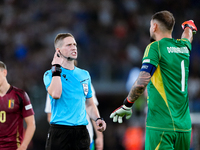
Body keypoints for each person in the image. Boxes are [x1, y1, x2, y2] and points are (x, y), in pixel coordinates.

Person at [110, 10, 197, 150]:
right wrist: (189, 27)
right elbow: (188, 37)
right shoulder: (183, 47)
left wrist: (127, 104)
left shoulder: (155, 47)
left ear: (155, 26)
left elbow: (143, 80)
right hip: (184, 127)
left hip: (161, 126)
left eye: (151, 25)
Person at [43, 33, 106, 150]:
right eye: (68, 45)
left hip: (81, 133)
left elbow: (89, 104)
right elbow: (56, 94)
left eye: (75, 44)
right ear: (58, 51)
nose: (74, 47)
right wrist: (56, 67)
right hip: (60, 131)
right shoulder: (49, 74)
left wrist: (97, 119)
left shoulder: (84, 75)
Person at [44, 84, 104, 150]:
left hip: (85, 138)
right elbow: (50, 116)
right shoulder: (53, 84)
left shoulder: (84, 79)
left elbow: (91, 108)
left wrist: (99, 136)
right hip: (62, 140)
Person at [0, 61, 36, 150]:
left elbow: (31, 124)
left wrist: (23, 146)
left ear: (4, 72)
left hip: (14, 147)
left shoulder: (20, 95)